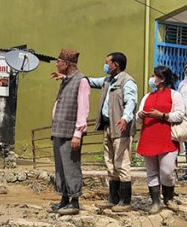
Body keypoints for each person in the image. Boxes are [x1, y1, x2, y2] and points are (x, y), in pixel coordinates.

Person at [88, 52, 138, 212]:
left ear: (115, 65)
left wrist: (125, 118)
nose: (105, 66)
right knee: (109, 162)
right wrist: (72, 77)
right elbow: (90, 81)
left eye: (107, 63)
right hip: (108, 127)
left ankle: (125, 201)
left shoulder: (127, 81)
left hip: (121, 128)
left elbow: (131, 101)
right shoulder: (107, 81)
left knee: (121, 163)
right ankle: (113, 198)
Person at [136, 66, 186, 213]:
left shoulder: (174, 95)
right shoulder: (147, 96)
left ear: (162, 79)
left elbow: (180, 115)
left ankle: (169, 198)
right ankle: (155, 202)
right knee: (151, 171)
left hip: (167, 138)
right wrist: (140, 115)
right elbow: (137, 118)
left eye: (154, 76)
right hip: (148, 136)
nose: (151, 79)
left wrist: (162, 115)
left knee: (167, 170)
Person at [49, 48, 91, 215]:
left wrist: (77, 134)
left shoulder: (82, 81)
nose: (57, 65)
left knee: (71, 167)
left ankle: (74, 202)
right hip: (58, 130)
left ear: (66, 64)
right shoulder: (67, 79)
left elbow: (83, 109)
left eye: (58, 62)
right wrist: (64, 77)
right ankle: (64, 198)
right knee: (60, 167)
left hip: (70, 132)